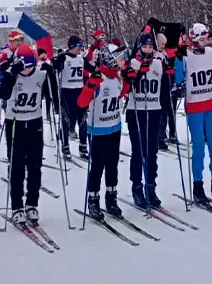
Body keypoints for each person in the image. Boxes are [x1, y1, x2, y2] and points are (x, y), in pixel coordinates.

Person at [0, 44, 57, 224]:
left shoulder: (40, 75)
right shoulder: (11, 74)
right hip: (15, 123)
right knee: (16, 166)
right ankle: (16, 206)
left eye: (30, 66)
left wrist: (51, 74)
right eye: (24, 66)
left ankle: (32, 204)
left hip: (34, 123)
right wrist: (10, 75)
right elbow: (4, 95)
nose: (27, 70)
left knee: (35, 166)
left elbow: (53, 95)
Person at [174, 22, 212, 204]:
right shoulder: (185, 55)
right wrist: (177, 59)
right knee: (198, 147)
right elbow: (178, 79)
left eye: (207, 39)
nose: (206, 42)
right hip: (195, 106)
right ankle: (198, 185)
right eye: (203, 39)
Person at [78, 47, 130, 220]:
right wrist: (90, 85)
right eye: (120, 59)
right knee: (97, 167)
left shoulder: (117, 78)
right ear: (110, 60)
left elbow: (121, 93)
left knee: (112, 165)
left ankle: (111, 199)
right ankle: (93, 200)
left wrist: (129, 81)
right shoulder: (99, 78)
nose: (124, 62)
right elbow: (82, 102)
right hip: (98, 130)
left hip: (114, 127)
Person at [125, 33, 165, 208]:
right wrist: (138, 72)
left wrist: (170, 74)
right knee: (138, 150)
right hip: (136, 111)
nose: (148, 50)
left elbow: (164, 89)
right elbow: (128, 85)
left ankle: (151, 186)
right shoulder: (132, 62)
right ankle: (137, 186)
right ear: (139, 47)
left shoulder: (158, 63)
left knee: (152, 151)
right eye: (145, 47)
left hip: (154, 110)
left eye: (150, 47)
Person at [53, 35, 88, 160]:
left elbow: (92, 68)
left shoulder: (81, 59)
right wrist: (57, 60)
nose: (81, 48)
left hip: (80, 91)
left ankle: (83, 147)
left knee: (83, 121)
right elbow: (55, 67)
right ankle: (65, 146)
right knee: (66, 121)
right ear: (72, 46)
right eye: (79, 45)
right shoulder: (64, 58)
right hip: (67, 93)